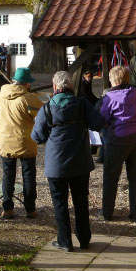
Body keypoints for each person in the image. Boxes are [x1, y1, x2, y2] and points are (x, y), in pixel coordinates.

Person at [31, 71, 104, 252]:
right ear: (70, 86)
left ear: (55, 87)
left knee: (60, 202)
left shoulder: (47, 108)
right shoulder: (81, 104)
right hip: (80, 161)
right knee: (81, 201)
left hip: (56, 163)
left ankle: (64, 241)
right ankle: (84, 239)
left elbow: (37, 136)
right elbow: (98, 123)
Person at [99, 65, 136, 221]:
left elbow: (102, 119)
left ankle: (107, 212)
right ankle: (135, 213)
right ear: (127, 79)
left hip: (117, 139)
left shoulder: (109, 98)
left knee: (111, 176)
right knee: (135, 177)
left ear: (113, 80)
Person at [0, 67, 43, 219]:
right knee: (28, 175)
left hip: (5, 141)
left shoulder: (0, 97)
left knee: (8, 175)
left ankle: (7, 209)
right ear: (27, 83)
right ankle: (30, 209)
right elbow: (42, 114)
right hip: (25, 142)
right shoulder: (28, 98)